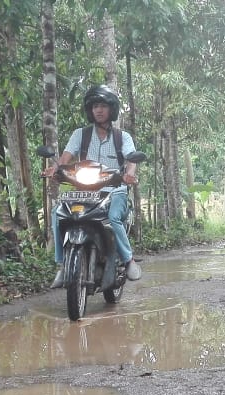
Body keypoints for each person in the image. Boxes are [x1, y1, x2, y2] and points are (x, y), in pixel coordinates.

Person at [45, 85, 141, 288]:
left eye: (103, 106)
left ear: (111, 109)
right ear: (90, 110)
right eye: (95, 106)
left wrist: (129, 174)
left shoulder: (122, 137)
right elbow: (65, 158)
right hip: (84, 191)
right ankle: (62, 264)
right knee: (58, 213)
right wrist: (55, 169)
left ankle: (128, 259)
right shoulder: (80, 134)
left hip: (114, 190)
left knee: (114, 218)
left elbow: (131, 159)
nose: (99, 110)